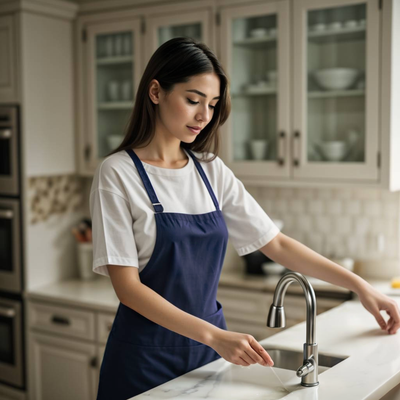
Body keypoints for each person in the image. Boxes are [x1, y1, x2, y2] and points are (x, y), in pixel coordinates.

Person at [90, 37, 400, 399]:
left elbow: (277, 243)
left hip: (206, 355)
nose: (204, 116)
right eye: (193, 100)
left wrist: (361, 287)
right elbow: (128, 288)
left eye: (212, 104)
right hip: (144, 358)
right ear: (156, 92)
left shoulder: (209, 170)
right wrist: (214, 335)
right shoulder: (117, 173)